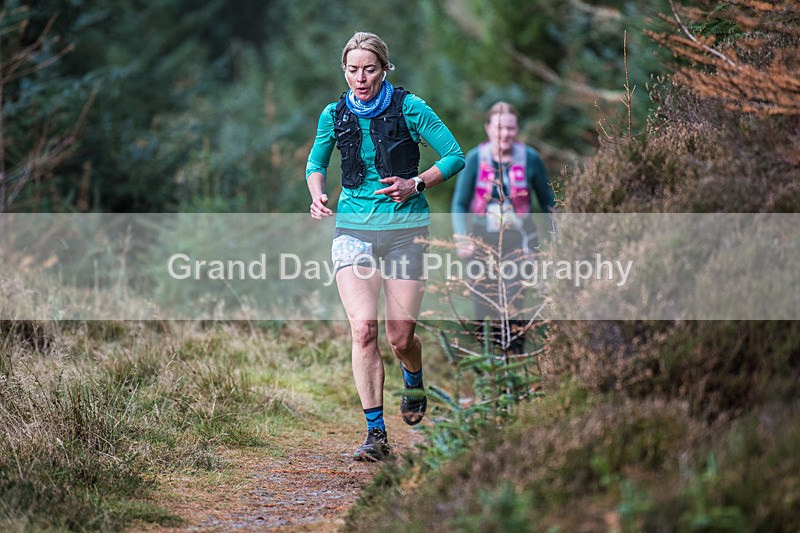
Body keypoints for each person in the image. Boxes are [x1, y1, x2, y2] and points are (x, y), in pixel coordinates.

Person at [306, 31, 465, 461]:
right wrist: (317, 192)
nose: (361, 78)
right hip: (353, 231)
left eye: (370, 69)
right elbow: (316, 163)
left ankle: (413, 376)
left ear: (384, 69)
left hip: (406, 230)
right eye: (353, 70)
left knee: (399, 336)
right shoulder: (333, 114)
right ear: (344, 70)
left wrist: (416, 182)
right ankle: (375, 434)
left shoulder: (411, 107)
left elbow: (454, 155)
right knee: (363, 330)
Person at [450, 102, 554, 354]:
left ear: (517, 129)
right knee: (483, 301)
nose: (504, 133)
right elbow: (459, 203)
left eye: (510, 128)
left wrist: (556, 240)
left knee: (513, 300)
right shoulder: (476, 158)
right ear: (488, 128)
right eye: (499, 127)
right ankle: (489, 363)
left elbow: (549, 202)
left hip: (520, 240)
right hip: (481, 239)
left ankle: (514, 361)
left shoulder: (530, 158)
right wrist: (462, 238)